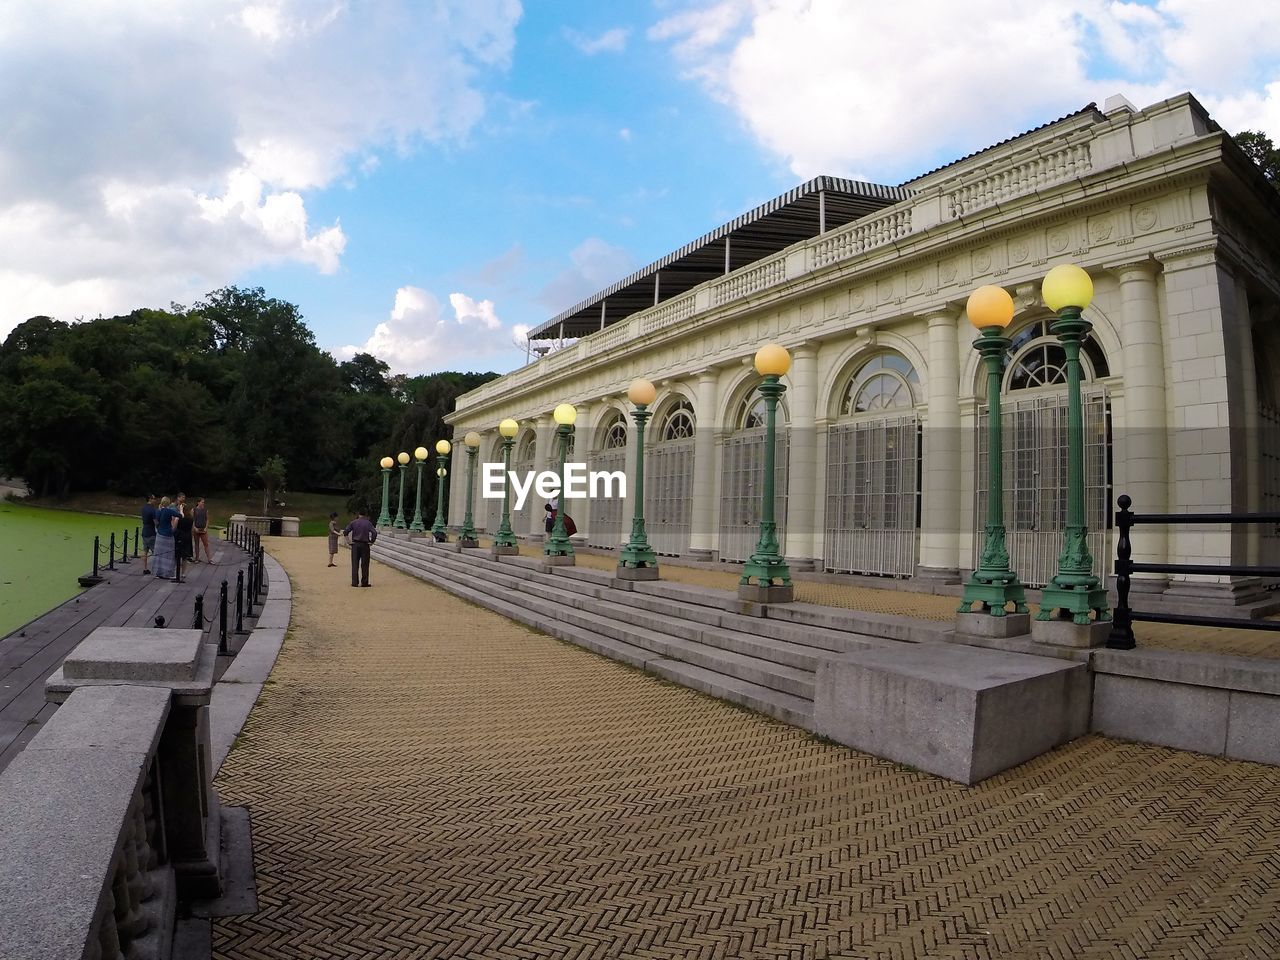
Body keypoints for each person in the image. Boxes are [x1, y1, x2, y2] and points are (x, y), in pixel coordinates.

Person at [342, 508, 378, 587]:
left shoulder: (354, 522)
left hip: (355, 544)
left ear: (358, 514)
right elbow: (374, 533)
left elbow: (345, 532)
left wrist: (349, 541)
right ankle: (364, 582)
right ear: (365, 515)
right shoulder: (368, 523)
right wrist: (371, 542)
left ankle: (355, 582)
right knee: (365, 564)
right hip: (365, 545)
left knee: (355, 564)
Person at [152, 496, 179, 579]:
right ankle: (167, 573)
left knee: (159, 554)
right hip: (168, 535)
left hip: (160, 535)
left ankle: (158, 572)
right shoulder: (169, 511)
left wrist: (158, 527)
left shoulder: (158, 511)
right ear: (168, 503)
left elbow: (156, 522)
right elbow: (179, 515)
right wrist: (180, 509)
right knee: (168, 555)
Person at [174, 493, 193, 579]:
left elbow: (174, 527)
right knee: (184, 557)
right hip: (187, 536)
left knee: (177, 555)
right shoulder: (190, 519)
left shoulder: (179, 518)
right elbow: (191, 529)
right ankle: (183, 573)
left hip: (179, 536)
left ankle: (176, 571)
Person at [140, 494, 158, 575]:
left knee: (145, 551)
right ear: (150, 499)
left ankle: (145, 568)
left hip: (144, 531)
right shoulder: (153, 510)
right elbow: (156, 522)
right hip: (151, 532)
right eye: (154, 499)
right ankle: (156, 569)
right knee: (155, 551)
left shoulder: (143, 508)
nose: (155, 500)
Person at [191, 497, 211, 563]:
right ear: (198, 502)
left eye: (203, 502)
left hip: (203, 529)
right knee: (196, 544)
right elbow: (192, 520)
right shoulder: (194, 510)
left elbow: (207, 519)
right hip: (196, 529)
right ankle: (197, 558)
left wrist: (206, 527)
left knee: (206, 544)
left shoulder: (205, 510)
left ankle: (209, 559)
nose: (203, 503)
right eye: (202, 502)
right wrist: (194, 528)